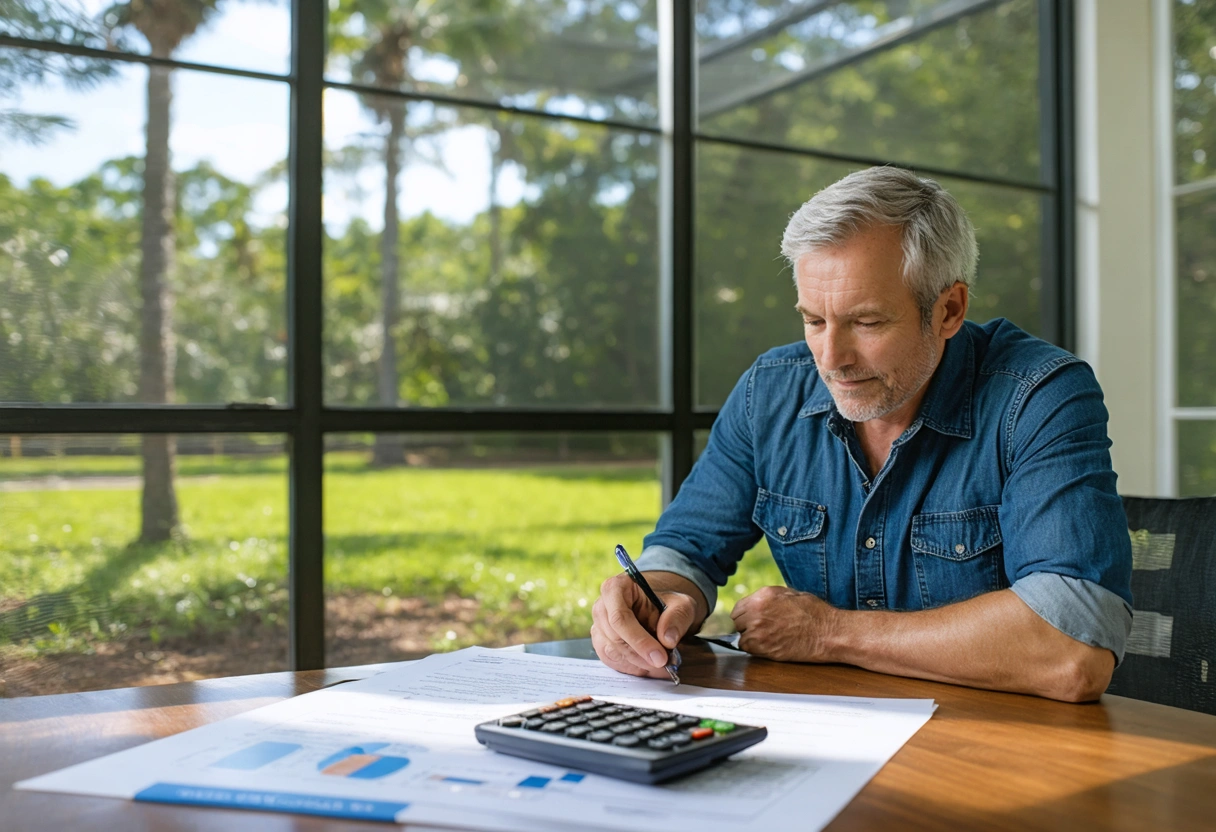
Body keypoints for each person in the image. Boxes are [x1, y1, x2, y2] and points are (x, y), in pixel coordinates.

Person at [590, 166, 1133, 703]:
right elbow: (685, 550)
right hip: (829, 730)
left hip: (997, 740)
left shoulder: (1040, 396)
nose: (832, 360)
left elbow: (1073, 651)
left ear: (948, 310)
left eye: (867, 322)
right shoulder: (770, 392)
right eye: (814, 321)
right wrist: (655, 598)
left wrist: (827, 633)